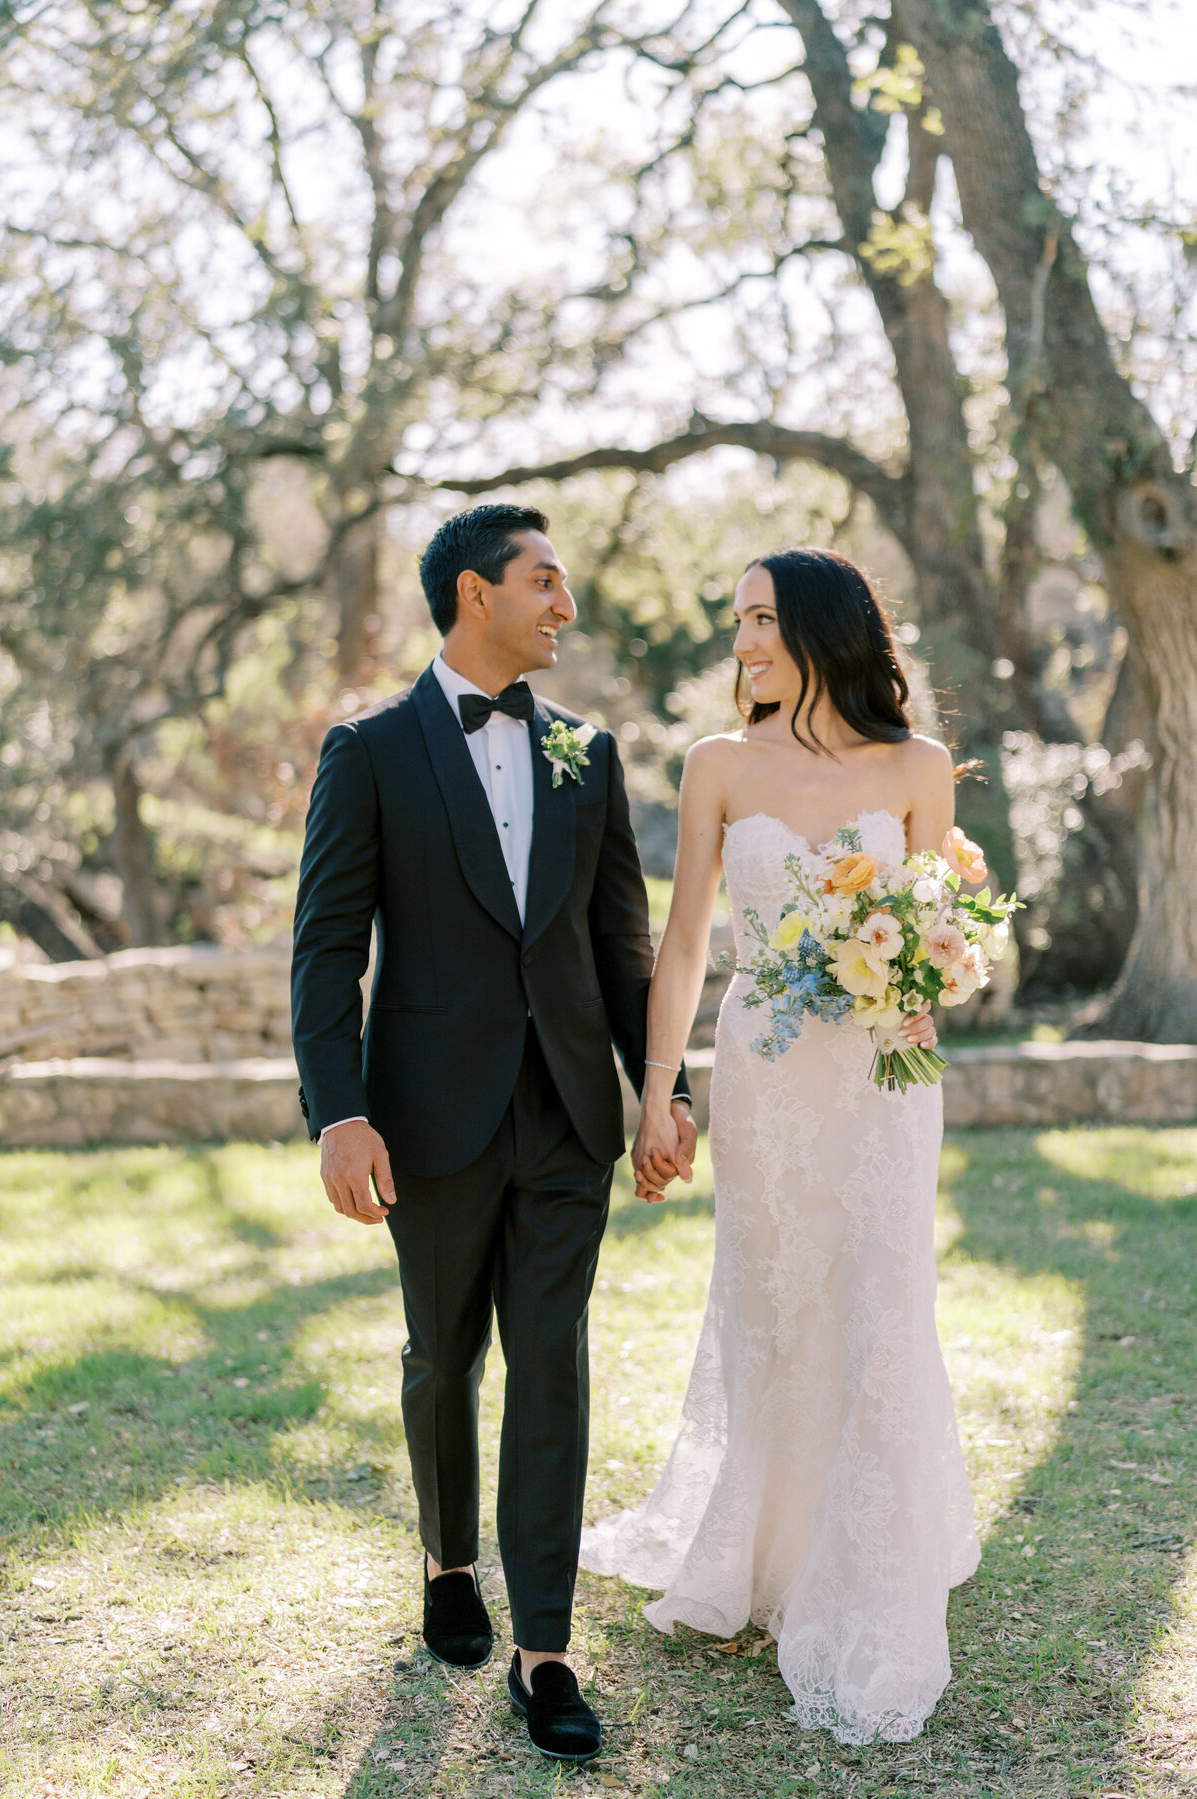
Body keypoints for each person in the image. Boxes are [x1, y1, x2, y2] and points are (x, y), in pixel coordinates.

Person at [289, 503, 696, 1765]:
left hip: (569, 1114)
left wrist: (663, 1087)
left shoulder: (591, 750)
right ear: (475, 592)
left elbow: (622, 946)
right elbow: (326, 949)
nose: (564, 605)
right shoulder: (368, 752)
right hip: (428, 1119)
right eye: (545, 582)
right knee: (441, 1355)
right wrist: (339, 1108)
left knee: (554, 1362)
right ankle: (447, 1556)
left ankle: (548, 1647)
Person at [579, 548, 981, 1745]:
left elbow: (938, 925)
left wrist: (927, 988)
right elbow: (687, 941)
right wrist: (660, 1093)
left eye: (759, 617)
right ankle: (772, 1548)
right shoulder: (717, 765)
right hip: (765, 1069)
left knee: (878, 1299)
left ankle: (867, 1567)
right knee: (777, 1299)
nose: (741, 639)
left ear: (817, 627)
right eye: (736, 619)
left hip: (879, 1079)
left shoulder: (917, 766)